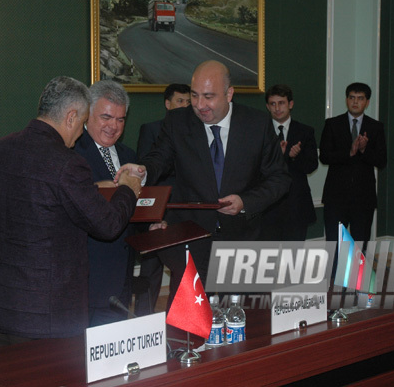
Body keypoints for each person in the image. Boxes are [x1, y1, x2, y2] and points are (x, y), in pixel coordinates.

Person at [0, 76, 141, 349]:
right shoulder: (67, 164)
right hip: (46, 313)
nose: (79, 134)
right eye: (81, 124)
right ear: (71, 116)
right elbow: (108, 224)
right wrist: (127, 189)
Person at [121, 60, 291, 308]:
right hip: (192, 244)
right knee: (189, 327)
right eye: (194, 95)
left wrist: (245, 202)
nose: (200, 105)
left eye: (209, 97)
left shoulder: (256, 124)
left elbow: (279, 178)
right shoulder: (178, 122)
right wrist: (143, 170)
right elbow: (159, 158)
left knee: (243, 327)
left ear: (229, 93)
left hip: (242, 244)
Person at [74, 80, 138, 326]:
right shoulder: (72, 155)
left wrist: (150, 225)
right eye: (106, 117)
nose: (114, 126)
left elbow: (132, 208)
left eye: (121, 119)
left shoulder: (129, 156)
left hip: (121, 274)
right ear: (87, 114)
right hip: (88, 276)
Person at [135, 83, 191, 315]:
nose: (185, 106)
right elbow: (146, 172)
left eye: (189, 102)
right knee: (151, 269)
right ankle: (142, 320)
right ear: (167, 104)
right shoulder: (151, 129)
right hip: (157, 211)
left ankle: (176, 323)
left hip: (184, 210)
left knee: (183, 269)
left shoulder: (195, 131)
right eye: (180, 101)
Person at [320, 82, 387, 251]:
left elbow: (382, 161)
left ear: (367, 102)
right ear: (346, 100)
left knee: (359, 247)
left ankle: (357, 278)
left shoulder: (376, 127)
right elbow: (325, 156)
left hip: (364, 199)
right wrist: (349, 152)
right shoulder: (332, 124)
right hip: (335, 197)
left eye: (360, 98)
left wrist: (364, 150)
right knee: (334, 245)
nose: (355, 102)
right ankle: (334, 277)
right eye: (352, 98)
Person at [262, 84, 318, 242]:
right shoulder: (259, 131)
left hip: (297, 206)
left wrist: (295, 157)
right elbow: (253, 167)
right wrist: (276, 157)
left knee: (293, 260)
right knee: (270, 260)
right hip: (268, 207)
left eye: (281, 103)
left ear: (290, 104)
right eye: (273, 104)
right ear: (267, 106)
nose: (277, 108)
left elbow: (311, 166)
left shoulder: (305, 131)